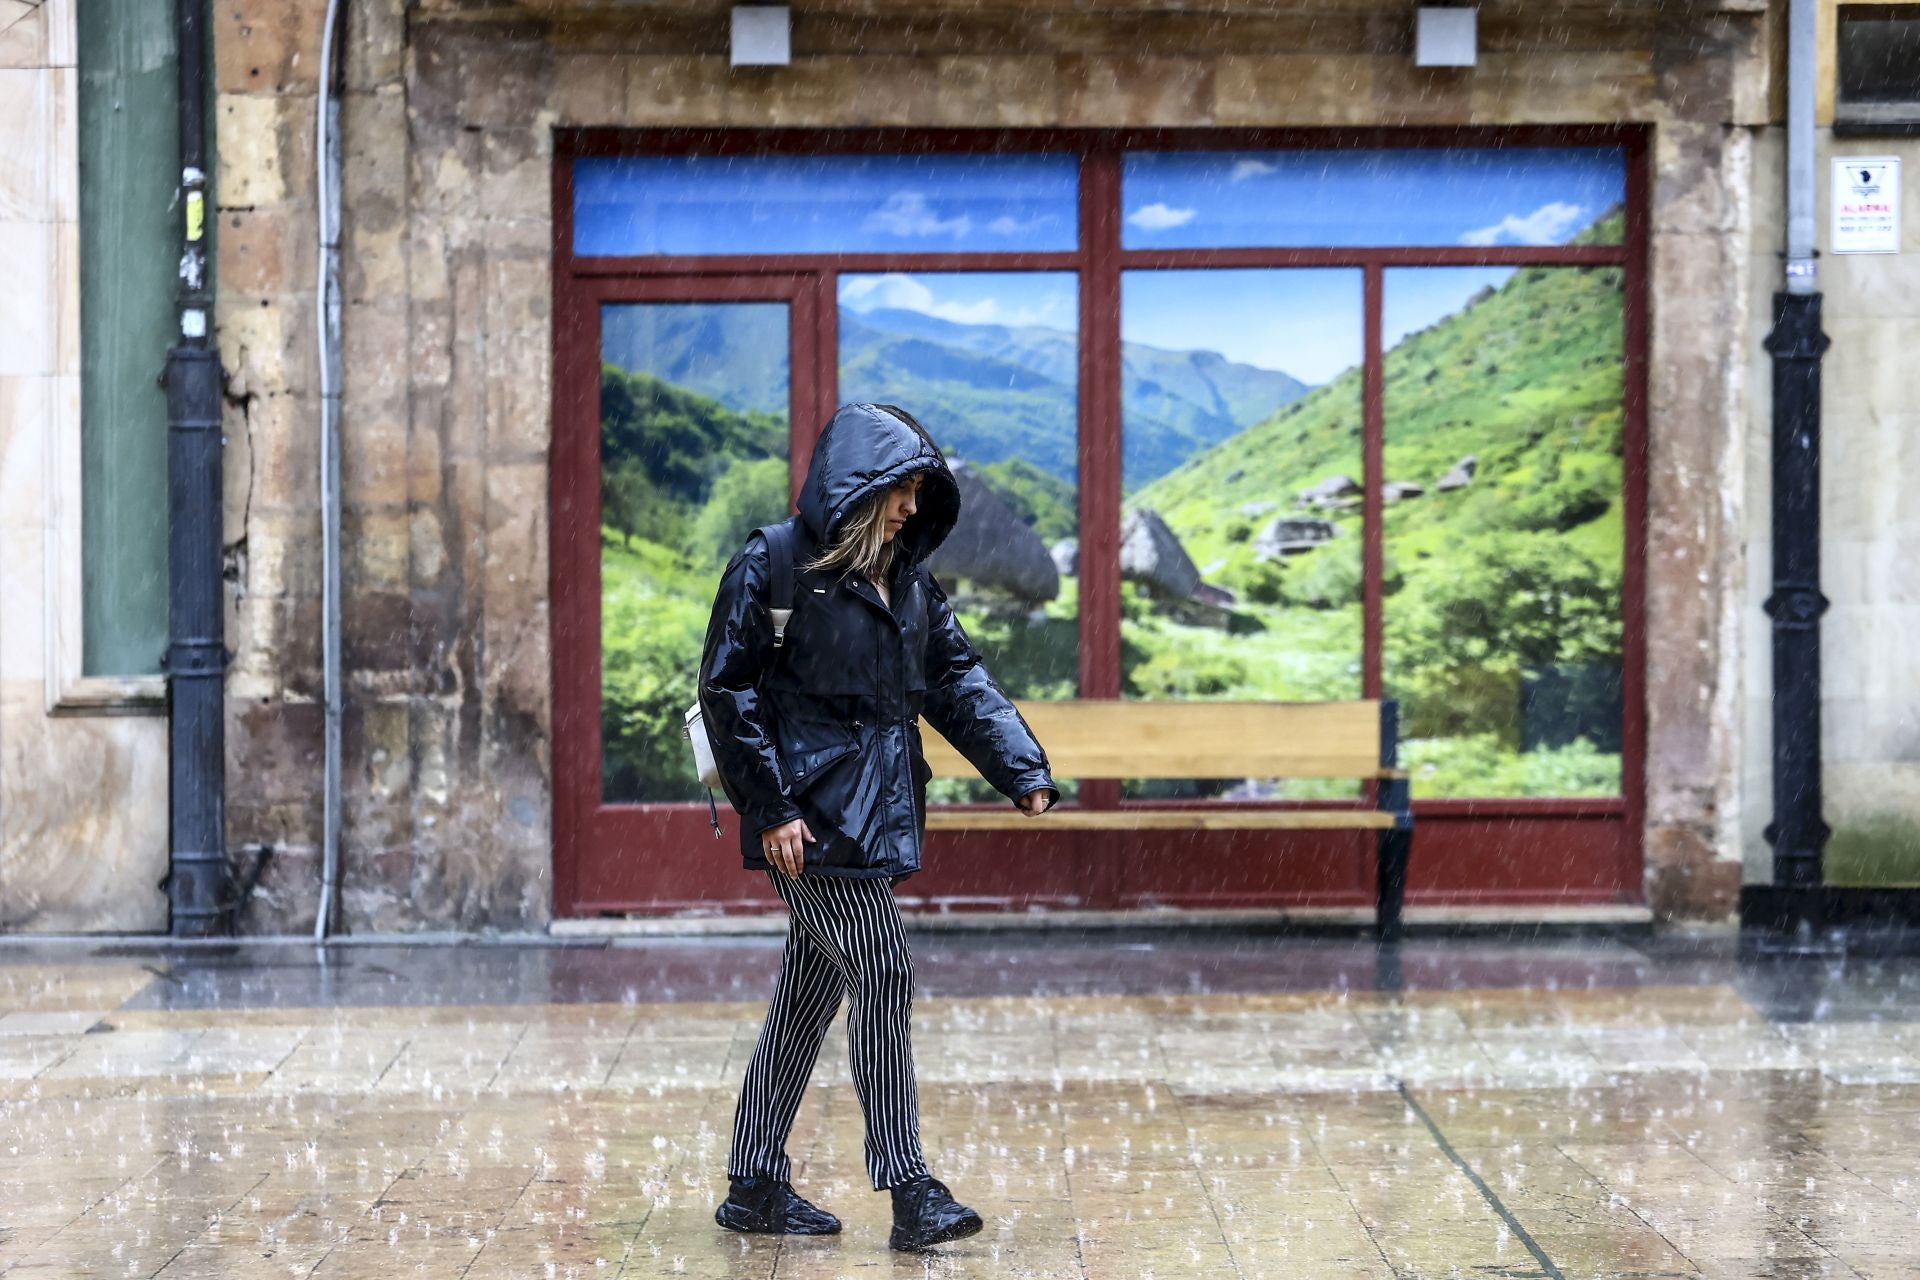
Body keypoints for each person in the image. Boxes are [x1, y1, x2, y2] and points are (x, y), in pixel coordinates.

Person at [698, 402, 1058, 1252]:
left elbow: (957, 677)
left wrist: (1022, 767)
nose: (910, 507)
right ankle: (910, 1186)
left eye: (920, 494)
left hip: (876, 812)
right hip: (810, 823)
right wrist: (774, 805)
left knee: (807, 996)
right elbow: (728, 691)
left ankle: (753, 1182)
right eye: (902, 490)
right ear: (859, 483)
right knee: (886, 969)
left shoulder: (908, 579)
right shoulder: (774, 564)